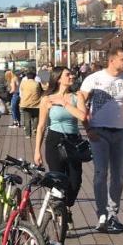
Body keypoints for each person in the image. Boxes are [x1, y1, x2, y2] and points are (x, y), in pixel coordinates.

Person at [79, 48, 123, 234]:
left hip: (120, 132)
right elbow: (81, 103)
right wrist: (87, 127)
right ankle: (101, 214)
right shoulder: (93, 79)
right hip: (98, 132)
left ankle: (113, 215)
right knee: (101, 173)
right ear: (112, 60)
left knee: (118, 176)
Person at [32, 67, 88, 206]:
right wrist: (37, 151)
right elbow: (41, 126)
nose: (72, 77)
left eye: (71, 74)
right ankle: (59, 213)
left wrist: (64, 103)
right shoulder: (47, 99)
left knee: (75, 181)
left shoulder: (77, 96)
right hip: (54, 140)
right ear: (58, 79)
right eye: (67, 75)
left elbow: (82, 116)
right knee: (57, 180)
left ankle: (66, 207)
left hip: (73, 141)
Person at [17, 69, 43, 140]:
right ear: (34, 77)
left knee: (27, 119)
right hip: (36, 103)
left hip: (25, 104)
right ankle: (35, 128)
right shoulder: (37, 83)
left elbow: (21, 92)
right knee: (36, 117)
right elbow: (41, 91)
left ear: (27, 77)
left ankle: (28, 134)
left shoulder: (23, 83)